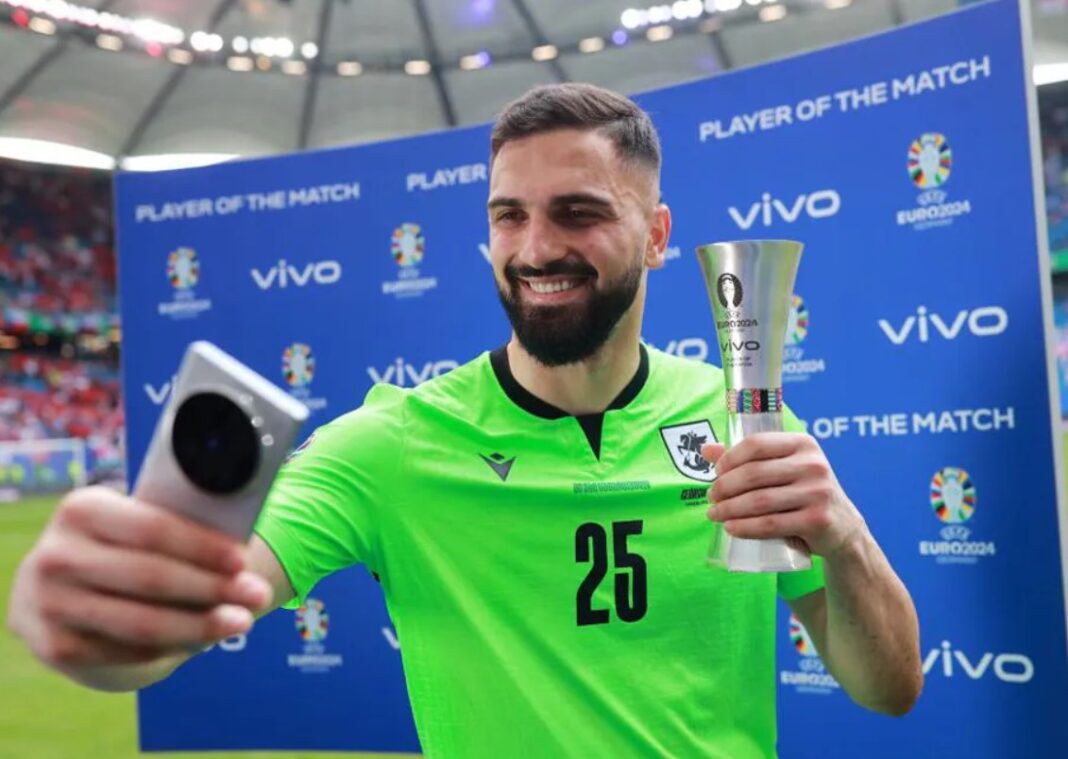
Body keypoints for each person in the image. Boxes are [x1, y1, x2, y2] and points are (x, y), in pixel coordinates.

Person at [6, 83, 922, 757]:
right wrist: (103, 623)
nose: (535, 248)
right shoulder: (389, 445)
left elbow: (889, 688)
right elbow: (202, 604)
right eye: (508, 216)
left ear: (655, 235)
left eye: (577, 212)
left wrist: (845, 537)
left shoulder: (742, 415)